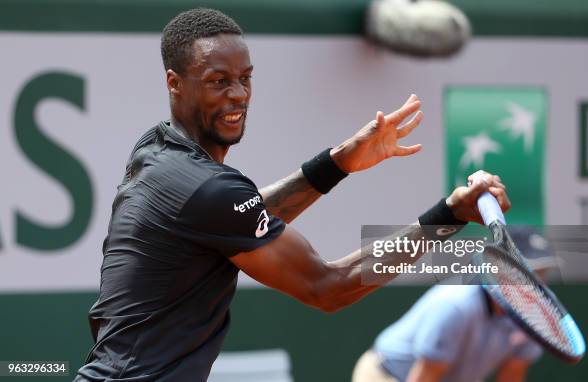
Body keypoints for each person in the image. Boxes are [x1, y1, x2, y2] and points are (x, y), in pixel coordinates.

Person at [74, 8, 510, 382]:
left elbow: (239, 217)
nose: (239, 95)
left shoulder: (156, 151)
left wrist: (337, 162)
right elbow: (327, 287)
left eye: (245, 78)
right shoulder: (207, 188)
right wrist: (448, 215)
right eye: (218, 81)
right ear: (175, 83)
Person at [352, 226, 556, 382]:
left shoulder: (536, 315)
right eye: (528, 272)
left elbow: (512, 374)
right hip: (388, 375)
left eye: (541, 273)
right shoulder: (456, 306)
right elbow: (424, 377)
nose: (536, 282)